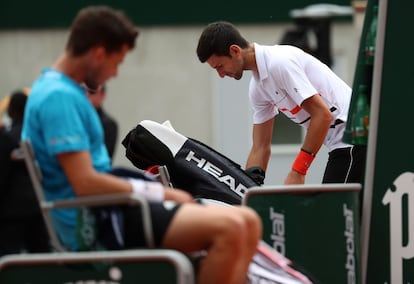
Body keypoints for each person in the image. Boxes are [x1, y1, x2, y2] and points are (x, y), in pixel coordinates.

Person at [22, 6, 262, 284]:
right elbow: (85, 183)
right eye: (117, 62)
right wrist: (156, 193)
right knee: (231, 229)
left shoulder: (59, 91)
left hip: (111, 207)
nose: (114, 74)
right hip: (98, 220)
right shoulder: (58, 98)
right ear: (99, 53)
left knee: (249, 222)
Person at [196, 21, 367, 186]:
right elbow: (260, 147)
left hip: (355, 138)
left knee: (333, 213)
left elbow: (322, 116)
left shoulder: (279, 63)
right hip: (346, 143)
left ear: (235, 51)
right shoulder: (257, 89)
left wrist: (298, 172)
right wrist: (245, 190)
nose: (221, 74)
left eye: (220, 66)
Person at [0, 90, 50, 256]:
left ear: (10, 111)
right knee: (41, 256)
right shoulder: (40, 137)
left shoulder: (7, 138)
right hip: (39, 205)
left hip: (11, 211)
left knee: (10, 259)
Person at [86, 84, 119, 159]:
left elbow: (103, 157)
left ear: (102, 95)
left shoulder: (109, 124)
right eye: (83, 91)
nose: (87, 94)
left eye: (91, 92)